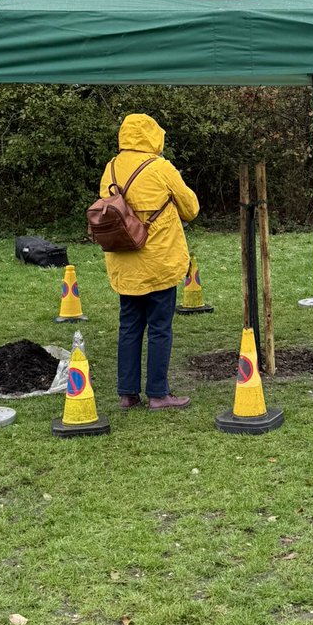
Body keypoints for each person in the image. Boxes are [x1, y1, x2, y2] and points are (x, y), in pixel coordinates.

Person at [99, 113, 199, 409]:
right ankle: (158, 393)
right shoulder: (161, 167)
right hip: (159, 261)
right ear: (154, 136)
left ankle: (127, 394)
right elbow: (191, 208)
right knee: (159, 327)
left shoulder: (111, 168)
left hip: (124, 260)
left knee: (129, 326)